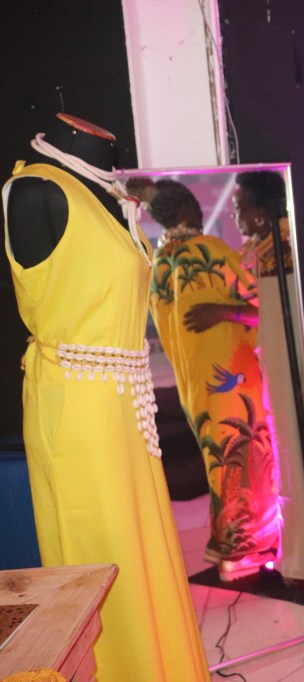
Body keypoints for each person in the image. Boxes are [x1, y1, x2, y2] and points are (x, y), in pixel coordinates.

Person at [3, 113, 209, 680]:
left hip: (125, 405)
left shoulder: (109, 194)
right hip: (78, 409)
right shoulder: (35, 190)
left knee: (142, 548)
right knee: (101, 551)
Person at [132, 177, 282, 581]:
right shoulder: (208, 251)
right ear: (186, 211)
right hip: (232, 376)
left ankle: (224, 543)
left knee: (219, 457)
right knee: (241, 455)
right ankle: (242, 549)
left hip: (195, 382)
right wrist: (225, 312)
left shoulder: (161, 262)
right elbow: (267, 304)